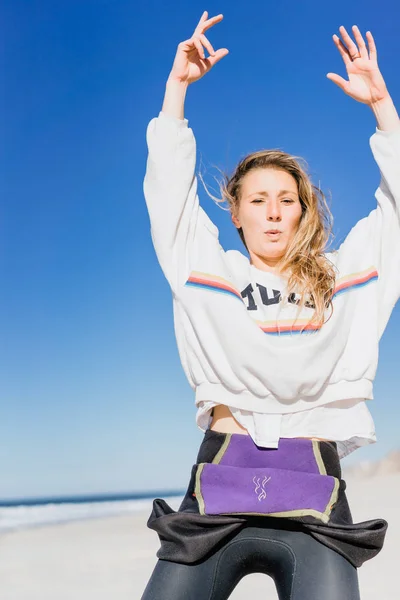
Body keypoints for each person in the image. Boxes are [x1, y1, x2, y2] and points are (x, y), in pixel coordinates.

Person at [141, 11, 399, 600]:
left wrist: (384, 109)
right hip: (218, 488)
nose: (274, 210)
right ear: (236, 213)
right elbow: (168, 195)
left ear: (304, 211)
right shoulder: (207, 271)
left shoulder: (347, 276)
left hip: (313, 492)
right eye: (258, 199)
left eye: (287, 199)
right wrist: (176, 90)